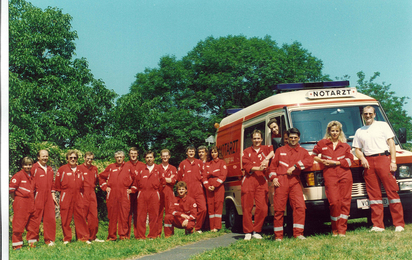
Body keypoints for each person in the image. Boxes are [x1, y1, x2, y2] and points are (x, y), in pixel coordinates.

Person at [353, 106, 405, 232]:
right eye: (365, 114)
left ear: (375, 114)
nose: (368, 116)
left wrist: (393, 161)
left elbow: (391, 143)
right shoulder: (359, 131)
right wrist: (363, 158)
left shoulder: (383, 125)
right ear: (363, 115)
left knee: (392, 193)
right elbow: (357, 149)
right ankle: (377, 225)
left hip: (383, 159)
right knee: (374, 196)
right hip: (369, 162)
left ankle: (398, 224)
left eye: (370, 113)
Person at [268, 127, 313, 241]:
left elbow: (309, 161)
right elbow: (272, 167)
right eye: (290, 138)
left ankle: (298, 234)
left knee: (300, 207)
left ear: (299, 138)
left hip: (294, 180)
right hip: (281, 181)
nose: (293, 140)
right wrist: (273, 178)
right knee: (279, 209)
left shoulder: (302, 151)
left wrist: (295, 166)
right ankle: (278, 236)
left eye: (295, 138)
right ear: (287, 139)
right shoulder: (280, 150)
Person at [313, 121, 354, 237]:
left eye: (337, 131)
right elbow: (313, 155)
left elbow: (350, 161)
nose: (335, 133)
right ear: (329, 131)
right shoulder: (322, 143)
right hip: (330, 175)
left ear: (340, 132)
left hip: (345, 175)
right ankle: (335, 229)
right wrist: (322, 161)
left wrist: (335, 162)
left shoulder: (345, 146)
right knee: (334, 202)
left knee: (345, 202)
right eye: (332, 131)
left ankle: (342, 230)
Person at [241, 130, 275, 240]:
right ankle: (248, 231)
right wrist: (258, 168)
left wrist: (266, 159)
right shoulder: (246, 151)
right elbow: (246, 165)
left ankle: (257, 230)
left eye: (258, 138)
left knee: (263, 207)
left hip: (261, 180)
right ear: (251, 139)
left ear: (261, 139)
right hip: (249, 180)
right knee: (247, 207)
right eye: (254, 138)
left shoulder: (265, 148)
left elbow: (273, 152)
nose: (256, 140)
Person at [55, 150, 90, 244]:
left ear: (77, 159)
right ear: (67, 159)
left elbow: (84, 185)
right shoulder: (62, 169)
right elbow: (57, 185)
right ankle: (67, 238)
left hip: (78, 195)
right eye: (71, 158)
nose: (73, 159)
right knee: (65, 217)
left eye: (75, 158)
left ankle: (83, 237)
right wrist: (64, 194)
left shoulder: (81, 169)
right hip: (66, 195)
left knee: (81, 216)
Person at [99, 151, 134, 240]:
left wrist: (132, 189)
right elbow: (101, 177)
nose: (119, 158)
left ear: (124, 157)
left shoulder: (129, 167)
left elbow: (136, 179)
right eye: (117, 157)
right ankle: (112, 236)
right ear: (115, 158)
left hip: (124, 194)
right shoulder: (111, 167)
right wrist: (105, 187)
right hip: (112, 194)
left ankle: (123, 235)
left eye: (120, 157)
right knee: (112, 215)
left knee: (124, 215)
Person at [131, 150, 163, 239]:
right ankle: (141, 236)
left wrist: (156, 192)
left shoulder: (158, 168)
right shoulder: (141, 169)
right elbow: (136, 182)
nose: (149, 159)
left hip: (154, 193)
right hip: (142, 193)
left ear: (154, 158)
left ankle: (152, 235)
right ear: (145, 159)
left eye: (151, 157)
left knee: (154, 215)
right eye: (147, 157)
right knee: (141, 216)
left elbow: (162, 182)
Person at [9, 157, 37, 250]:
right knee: (19, 223)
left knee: (32, 223)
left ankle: (32, 243)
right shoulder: (18, 175)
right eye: (25, 164)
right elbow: (11, 190)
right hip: (21, 202)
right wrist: (17, 199)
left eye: (29, 164)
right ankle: (17, 245)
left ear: (32, 165)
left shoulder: (32, 176)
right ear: (22, 165)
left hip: (31, 202)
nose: (28, 166)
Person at [178, 145, 207, 233]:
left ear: (195, 153)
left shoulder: (199, 162)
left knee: (203, 209)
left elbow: (204, 175)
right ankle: (189, 228)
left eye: (192, 151)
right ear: (186, 153)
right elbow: (179, 179)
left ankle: (197, 228)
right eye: (189, 151)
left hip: (198, 190)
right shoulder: (183, 163)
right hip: (188, 191)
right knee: (189, 211)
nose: (191, 153)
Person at [31, 149, 57, 246]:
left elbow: (52, 183)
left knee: (50, 218)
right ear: (38, 157)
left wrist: (53, 195)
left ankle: (49, 240)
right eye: (43, 156)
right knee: (35, 218)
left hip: (49, 196)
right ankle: (32, 240)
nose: (45, 158)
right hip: (37, 195)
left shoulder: (50, 169)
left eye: (46, 156)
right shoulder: (34, 167)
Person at [77, 151, 104, 242]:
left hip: (92, 193)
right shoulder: (79, 168)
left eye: (91, 159)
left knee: (93, 216)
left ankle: (93, 236)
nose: (89, 160)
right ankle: (83, 237)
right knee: (83, 215)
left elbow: (97, 180)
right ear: (84, 158)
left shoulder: (94, 168)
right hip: (83, 193)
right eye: (88, 158)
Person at [202, 146, 227, 232]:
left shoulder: (222, 163)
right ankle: (211, 227)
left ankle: (217, 226)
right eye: (212, 152)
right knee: (211, 205)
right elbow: (204, 177)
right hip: (209, 186)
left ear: (218, 153)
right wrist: (208, 186)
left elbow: (223, 176)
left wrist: (215, 185)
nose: (213, 154)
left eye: (215, 152)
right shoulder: (207, 164)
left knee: (218, 205)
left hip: (218, 187)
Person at [123, 147, 146, 239]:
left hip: (139, 192)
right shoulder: (125, 165)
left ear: (138, 154)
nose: (133, 155)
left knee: (139, 214)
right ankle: (126, 235)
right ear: (129, 154)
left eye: (135, 153)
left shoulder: (143, 165)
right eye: (131, 153)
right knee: (127, 214)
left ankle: (139, 235)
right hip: (128, 192)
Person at [157, 149, 177, 237]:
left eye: (166, 155)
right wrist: (167, 179)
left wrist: (162, 178)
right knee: (158, 213)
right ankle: (157, 233)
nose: (165, 157)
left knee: (169, 213)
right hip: (159, 192)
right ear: (161, 157)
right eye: (163, 156)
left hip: (169, 192)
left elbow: (173, 181)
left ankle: (169, 233)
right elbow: (156, 181)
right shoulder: (157, 168)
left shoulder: (173, 168)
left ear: (169, 156)